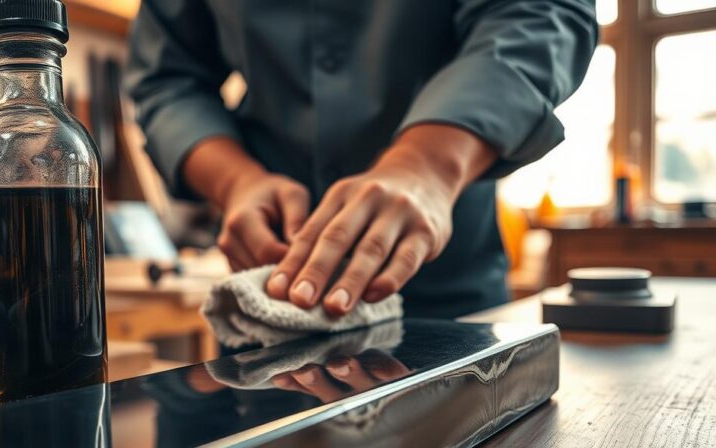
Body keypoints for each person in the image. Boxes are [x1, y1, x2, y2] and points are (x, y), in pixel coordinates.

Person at [124, 0, 598, 319]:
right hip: (267, 311)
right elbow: (167, 79)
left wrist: (428, 164)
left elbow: (540, 13)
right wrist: (236, 182)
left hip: (454, 301)